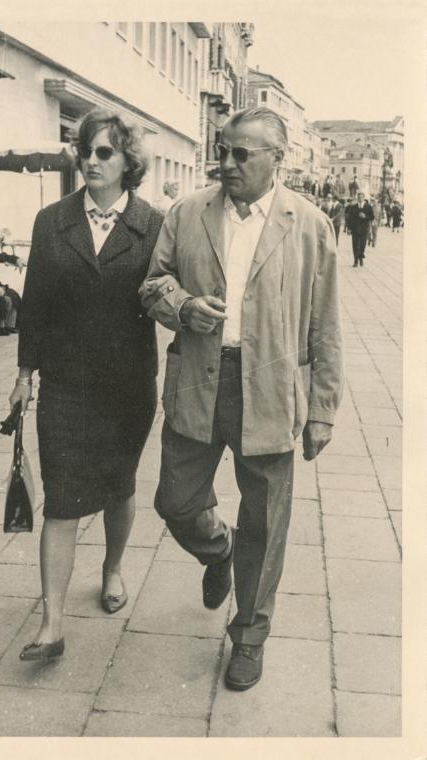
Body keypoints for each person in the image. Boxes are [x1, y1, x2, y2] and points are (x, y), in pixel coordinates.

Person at [140, 106, 344, 692]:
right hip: (199, 381)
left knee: (266, 520)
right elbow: (152, 284)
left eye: (241, 153)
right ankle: (216, 550)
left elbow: (326, 324)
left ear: (277, 159)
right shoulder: (187, 212)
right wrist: (183, 307)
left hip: (273, 389)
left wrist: (323, 407)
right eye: (223, 150)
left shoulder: (308, 224)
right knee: (176, 501)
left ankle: (249, 636)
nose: (225, 162)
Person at [10, 109, 164, 661]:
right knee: (61, 499)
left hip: (126, 389)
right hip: (66, 385)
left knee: (120, 487)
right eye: (86, 151)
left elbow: (167, 296)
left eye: (104, 153)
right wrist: (25, 374)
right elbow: (35, 305)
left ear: (128, 162)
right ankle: (52, 623)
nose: (91, 161)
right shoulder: (51, 221)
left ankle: (114, 567)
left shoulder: (153, 224)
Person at [347, 191, 374, 266]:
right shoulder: (353, 207)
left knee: (363, 244)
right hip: (355, 229)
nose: (360, 198)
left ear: (363, 198)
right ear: (357, 198)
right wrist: (349, 228)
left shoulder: (368, 207)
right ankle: (355, 260)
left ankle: (361, 257)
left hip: (364, 229)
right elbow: (349, 218)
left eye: (361, 197)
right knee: (355, 244)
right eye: (358, 197)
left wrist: (365, 216)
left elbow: (372, 217)